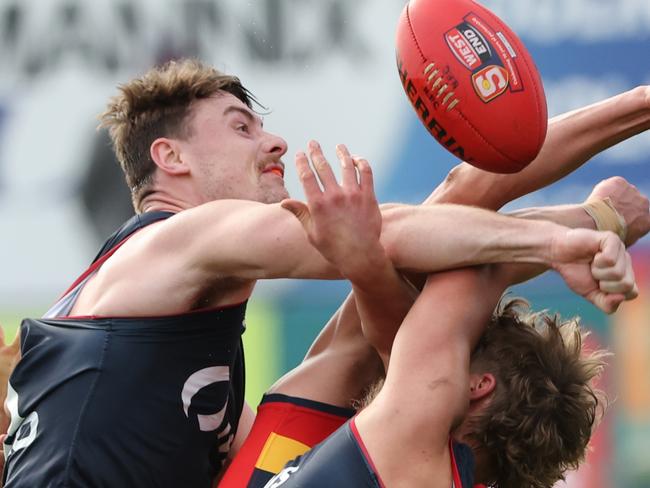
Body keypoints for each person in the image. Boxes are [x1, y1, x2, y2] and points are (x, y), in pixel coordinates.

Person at [0, 58, 639, 488]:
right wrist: (568, 235)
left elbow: (429, 246)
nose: (274, 143)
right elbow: (407, 234)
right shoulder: (175, 240)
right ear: (170, 158)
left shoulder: (176, 356)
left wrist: (587, 223)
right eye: (242, 127)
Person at [219, 86, 650, 486]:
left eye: (464, 346)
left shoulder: (413, 421)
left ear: (476, 386)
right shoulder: (431, 454)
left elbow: (472, 237)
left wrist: (599, 218)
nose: (418, 334)